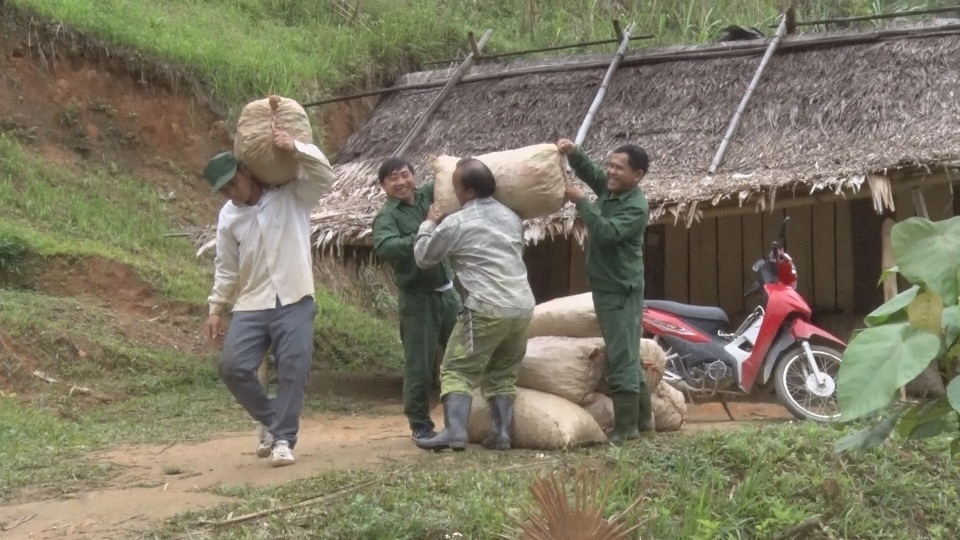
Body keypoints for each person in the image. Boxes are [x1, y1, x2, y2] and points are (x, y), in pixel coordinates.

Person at [201, 128, 334, 466]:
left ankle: (283, 440)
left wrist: (298, 147)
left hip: (295, 297)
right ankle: (274, 420)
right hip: (252, 302)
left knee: (294, 366)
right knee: (233, 367)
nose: (231, 193)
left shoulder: (292, 195)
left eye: (233, 183)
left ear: (246, 172)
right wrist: (216, 307)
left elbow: (324, 176)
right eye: (223, 190)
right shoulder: (229, 216)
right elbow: (226, 266)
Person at [412, 158, 535, 452]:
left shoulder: (457, 222)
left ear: (467, 191)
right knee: (503, 371)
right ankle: (501, 435)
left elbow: (424, 257)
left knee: (456, 369)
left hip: (485, 307)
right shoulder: (512, 217)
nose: (452, 192)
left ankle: (454, 433)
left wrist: (428, 224)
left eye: (455, 187)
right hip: (522, 307)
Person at [556, 138, 652, 445]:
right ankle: (644, 419)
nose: (610, 171)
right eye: (609, 164)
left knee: (621, 358)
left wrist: (582, 202)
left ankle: (626, 429)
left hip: (620, 290)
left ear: (637, 175)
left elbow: (608, 233)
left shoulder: (636, 206)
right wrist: (574, 152)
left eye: (618, 168)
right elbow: (593, 173)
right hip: (608, 287)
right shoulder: (611, 190)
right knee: (626, 353)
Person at [372, 157, 462, 441]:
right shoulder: (387, 216)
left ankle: (461, 418)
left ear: (413, 175)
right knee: (419, 366)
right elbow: (385, 246)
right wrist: (424, 230)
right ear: (384, 186)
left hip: (448, 293)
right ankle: (420, 423)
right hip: (417, 299)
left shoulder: (427, 194)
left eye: (404, 175)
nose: (401, 183)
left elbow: (449, 180)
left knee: (461, 356)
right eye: (392, 179)